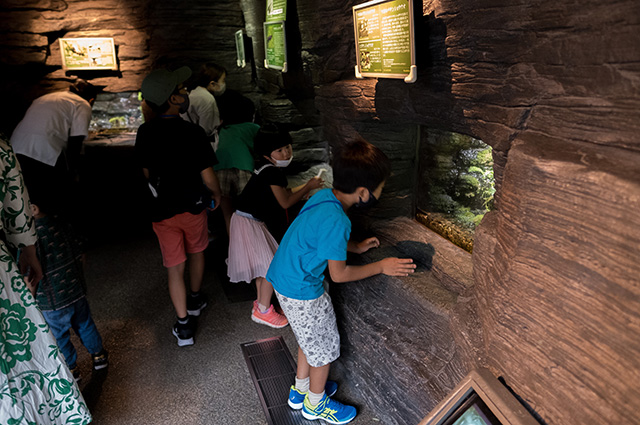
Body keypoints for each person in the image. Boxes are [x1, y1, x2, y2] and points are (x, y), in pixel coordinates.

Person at [265, 138, 416, 424]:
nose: (382, 191)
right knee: (322, 352)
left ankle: (300, 391)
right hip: (303, 291)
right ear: (363, 192)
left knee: (306, 341)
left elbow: (321, 239)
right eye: (381, 186)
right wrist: (381, 266)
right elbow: (339, 274)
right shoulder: (339, 220)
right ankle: (315, 404)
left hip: (284, 279)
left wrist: (355, 247)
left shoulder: (323, 197)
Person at [0, 136, 92, 424]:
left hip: (56, 300)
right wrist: (26, 247)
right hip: (64, 291)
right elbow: (15, 196)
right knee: (24, 352)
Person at [135, 66, 222, 347]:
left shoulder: (145, 132)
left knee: (175, 267)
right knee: (197, 251)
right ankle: (196, 299)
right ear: (172, 99)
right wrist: (216, 193)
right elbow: (207, 174)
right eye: (182, 90)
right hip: (193, 207)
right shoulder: (192, 132)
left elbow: (146, 173)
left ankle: (184, 326)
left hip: (162, 211)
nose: (186, 93)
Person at [227, 126, 323, 328]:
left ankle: (262, 306)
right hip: (249, 223)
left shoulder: (264, 168)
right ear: (266, 154)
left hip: (245, 219)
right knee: (272, 266)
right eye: (279, 150)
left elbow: (282, 193)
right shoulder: (273, 173)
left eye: (288, 147)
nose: (286, 153)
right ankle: (263, 311)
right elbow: (285, 202)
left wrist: (303, 189)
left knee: (266, 266)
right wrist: (308, 187)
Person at [30, 196, 108, 382]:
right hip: (76, 290)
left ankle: (72, 369)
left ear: (33, 208)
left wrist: (31, 300)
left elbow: (31, 275)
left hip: (51, 302)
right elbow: (81, 254)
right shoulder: (63, 224)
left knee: (59, 336)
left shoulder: (30, 239)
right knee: (85, 324)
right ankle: (99, 357)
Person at [10, 79, 97, 217]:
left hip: (16, 146)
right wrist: (73, 172)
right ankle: (55, 232)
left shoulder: (44, 98)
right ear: (91, 99)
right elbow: (76, 140)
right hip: (44, 151)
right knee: (49, 198)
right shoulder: (82, 104)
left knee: (26, 197)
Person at [214, 94, 259, 235]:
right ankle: (253, 245)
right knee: (251, 213)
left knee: (228, 214)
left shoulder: (221, 129)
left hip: (219, 170)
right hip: (244, 169)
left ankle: (233, 246)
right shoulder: (252, 128)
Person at [181, 63, 224, 150]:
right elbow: (207, 129)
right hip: (205, 146)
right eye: (223, 80)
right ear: (212, 83)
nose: (223, 84)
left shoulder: (195, 93)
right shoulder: (207, 99)